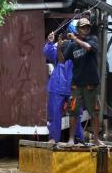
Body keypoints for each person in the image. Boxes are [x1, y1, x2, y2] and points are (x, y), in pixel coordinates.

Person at [57, 18, 103, 146]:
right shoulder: (72, 46)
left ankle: (96, 139)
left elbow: (88, 48)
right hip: (76, 84)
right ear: (78, 29)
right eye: (83, 27)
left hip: (91, 84)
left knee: (94, 112)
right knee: (73, 112)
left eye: (87, 27)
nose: (85, 29)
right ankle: (71, 139)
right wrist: (59, 48)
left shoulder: (92, 39)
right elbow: (61, 60)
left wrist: (75, 39)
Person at [43, 29, 84, 144]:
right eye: (65, 39)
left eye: (70, 38)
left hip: (74, 88)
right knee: (54, 115)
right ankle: (53, 138)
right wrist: (50, 42)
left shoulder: (79, 49)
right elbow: (47, 52)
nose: (66, 42)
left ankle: (78, 138)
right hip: (57, 87)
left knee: (76, 115)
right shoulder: (57, 49)